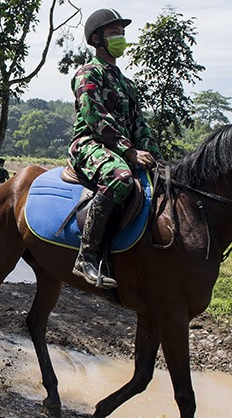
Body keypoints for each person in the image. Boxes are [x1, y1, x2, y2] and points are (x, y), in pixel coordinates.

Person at [68, 8, 161, 289]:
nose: (120, 38)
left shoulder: (127, 84)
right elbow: (96, 118)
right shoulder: (87, 74)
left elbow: (140, 125)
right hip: (90, 144)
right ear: (97, 39)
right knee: (119, 177)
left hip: (124, 148)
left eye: (122, 33)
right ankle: (87, 256)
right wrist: (130, 152)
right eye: (114, 33)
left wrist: (153, 154)